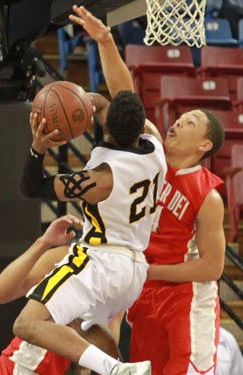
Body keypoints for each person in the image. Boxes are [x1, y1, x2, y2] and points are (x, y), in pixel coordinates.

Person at [68, 5, 226, 375]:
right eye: (180, 118)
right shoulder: (150, 152)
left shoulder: (209, 195)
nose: (177, 124)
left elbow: (212, 266)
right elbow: (125, 95)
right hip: (143, 293)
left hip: (186, 300)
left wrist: (148, 271)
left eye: (189, 123)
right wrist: (106, 41)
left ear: (204, 145)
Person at [13, 74, 167, 374]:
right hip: (133, 272)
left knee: (27, 323)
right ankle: (117, 367)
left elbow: (31, 187)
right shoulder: (154, 146)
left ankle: (115, 369)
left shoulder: (98, 180)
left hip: (100, 262)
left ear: (106, 127)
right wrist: (84, 100)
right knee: (83, 328)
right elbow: (107, 105)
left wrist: (38, 146)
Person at [0, 214, 120, 375]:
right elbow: (0, 293)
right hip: (21, 367)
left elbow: (107, 347)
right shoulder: (69, 256)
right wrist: (43, 243)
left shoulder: (123, 276)